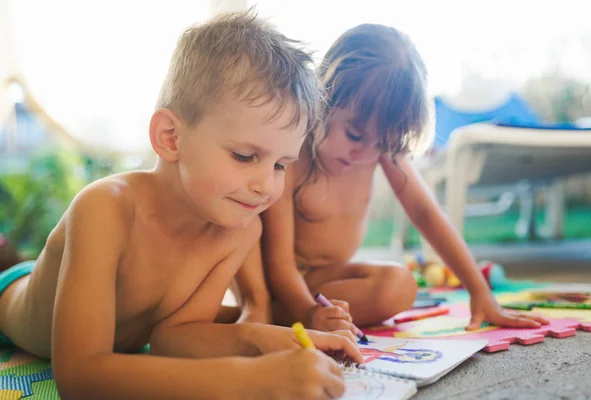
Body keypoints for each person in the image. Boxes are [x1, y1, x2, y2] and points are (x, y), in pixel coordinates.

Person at [0, 11, 363, 400]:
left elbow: (174, 337)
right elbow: (79, 375)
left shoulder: (239, 229)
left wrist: (272, 341)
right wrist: (254, 379)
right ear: (170, 138)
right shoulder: (105, 209)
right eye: (244, 156)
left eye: (279, 165)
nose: (265, 186)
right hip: (11, 295)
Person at [259, 23, 549, 333]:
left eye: (381, 144)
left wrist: (480, 292)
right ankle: (266, 314)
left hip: (327, 280)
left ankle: (282, 317)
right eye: (354, 134)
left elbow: (426, 214)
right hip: (278, 282)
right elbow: (279, 265)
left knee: (399, 285)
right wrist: (306, 312)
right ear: (324, 92)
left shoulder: (377, 147)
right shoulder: (291, 155)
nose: (365, 153)